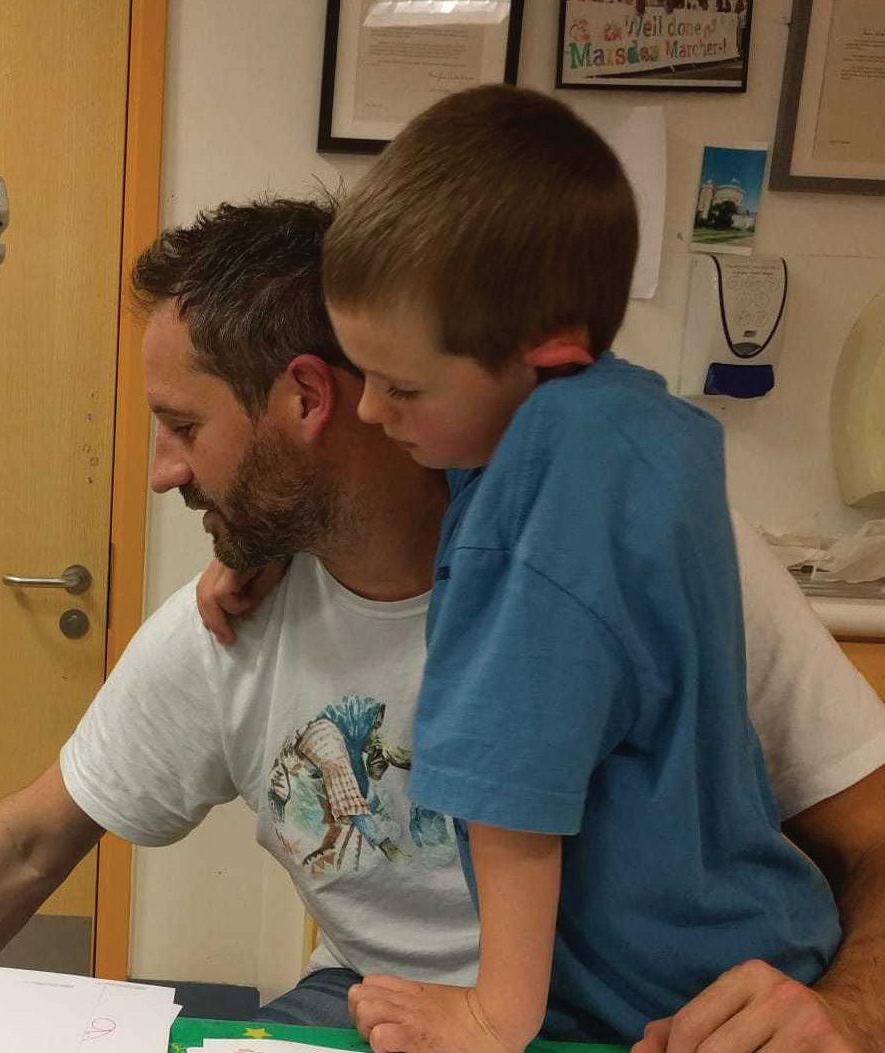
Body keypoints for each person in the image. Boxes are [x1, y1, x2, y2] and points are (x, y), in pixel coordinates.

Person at [0, 198, 885, 1053]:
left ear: (306, 400)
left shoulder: (642, 549)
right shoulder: (229, 623)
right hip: (387, 1007)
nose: (163, 471)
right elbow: (29, 843)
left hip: (648, 1020)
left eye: (181, 425)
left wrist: (860, 1017)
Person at [318, 85, 840, 1050]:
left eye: (400, 387)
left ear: (545, 355)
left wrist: (492, 1014)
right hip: (741, 944)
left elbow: (515, 779)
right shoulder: (632, 426)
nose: (370, 412)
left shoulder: (553, 491)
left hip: (680, 1004)